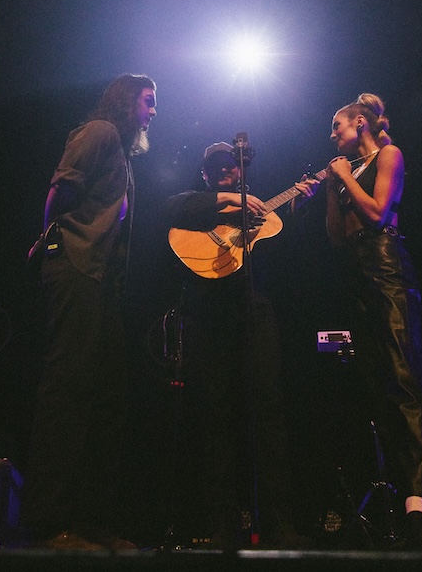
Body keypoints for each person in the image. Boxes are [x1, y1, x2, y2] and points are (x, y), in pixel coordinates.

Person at [293, 93, 422, 548]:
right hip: (356, 272)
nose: (332, 136)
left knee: (404, 378)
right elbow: (335, 237)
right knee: (378, 386)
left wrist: (344, 176)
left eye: (337, 127)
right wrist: (330, 190)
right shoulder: (344, 174)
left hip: (386, 266)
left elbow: (380, 213)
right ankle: (418, 499)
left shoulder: (388, 154)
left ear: (359, 122)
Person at [22, 73, 157, 550]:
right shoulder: (99, 132)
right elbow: (61, 190)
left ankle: (89, 519)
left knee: (104, 398)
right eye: (148, 101)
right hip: (75, 266)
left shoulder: (121, 153)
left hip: (101, 282)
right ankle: (47, 522)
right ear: (127, 101)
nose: (153, 111)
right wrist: (52, 246)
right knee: (68, 391)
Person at [164, 141, 312, 550]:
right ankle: (223, 529)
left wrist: (296, 207)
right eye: (218, 169)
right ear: (207, 176)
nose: (227, 172)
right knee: (216, 417)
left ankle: (280, 526)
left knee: (269, 412)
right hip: (209, 318)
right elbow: (172, 209)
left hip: (255, 313)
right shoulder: (196, 206)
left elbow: (289, 259)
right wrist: (230, 200)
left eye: (233, 167)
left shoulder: (263, 213)